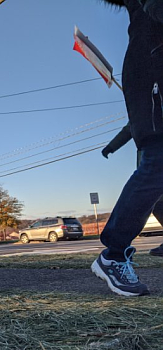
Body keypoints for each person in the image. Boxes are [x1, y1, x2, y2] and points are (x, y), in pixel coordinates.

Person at [92, 0, 163, 296]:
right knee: (157, 165)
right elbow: (129, 128)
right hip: (151, 71)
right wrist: (111, 146)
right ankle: (114, 254)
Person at [101, 123, 163, 257]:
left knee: (150, 198)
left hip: (154, 165)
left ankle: (115, 247)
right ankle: (116, 246)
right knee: (156, 203)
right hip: (153, 162)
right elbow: (131, 127)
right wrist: (111, 146)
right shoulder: (147, 111)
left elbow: (131, 127)